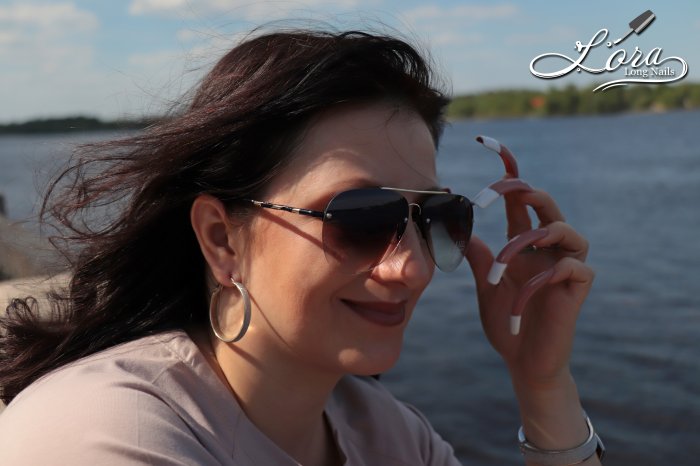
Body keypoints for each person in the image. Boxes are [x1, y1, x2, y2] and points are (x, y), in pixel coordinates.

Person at [0, 28, 603, 465]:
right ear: (221, 238)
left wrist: (543, 385)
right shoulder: (107, 434)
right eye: (363, 217)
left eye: (438, 218)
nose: (414, 268)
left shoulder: (392, 438)